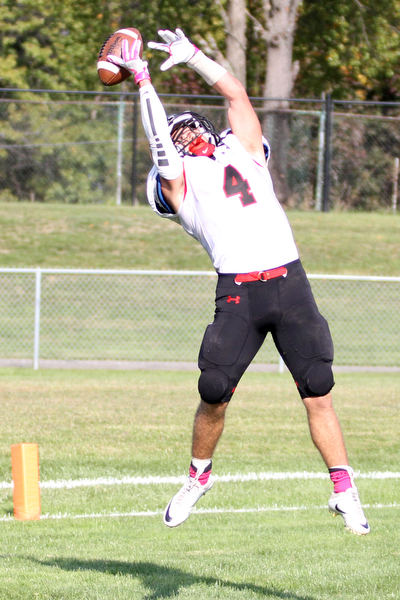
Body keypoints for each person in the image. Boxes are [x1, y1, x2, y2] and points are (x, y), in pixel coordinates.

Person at [107, 28, 370, 536]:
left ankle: (344, 490)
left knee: (318, 389)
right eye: (179, 137)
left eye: (190, 131)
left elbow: (236, 95)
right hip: (239, 292)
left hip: (289, 282)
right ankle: (198, 477)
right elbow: (162, 147)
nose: (187, 139)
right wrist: (142, 82)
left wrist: (195, 58)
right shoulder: (179, 183)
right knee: (214, 389)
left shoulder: (244, 149)